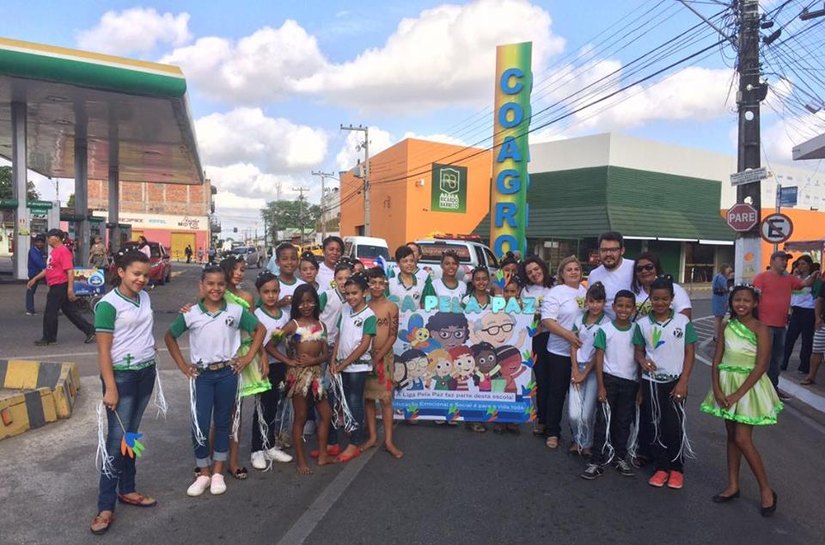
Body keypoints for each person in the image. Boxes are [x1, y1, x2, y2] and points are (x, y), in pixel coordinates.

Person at [164, 264, 265, 497]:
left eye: (220, 284)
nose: (216, 288)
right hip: (202, 376)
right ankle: (204, 471)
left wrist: (248, 357)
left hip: (227, 374)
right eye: (210, 284)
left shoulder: (235, 311)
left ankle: (218, 471)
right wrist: (183, 365)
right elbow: (170, 336)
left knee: (223, 422)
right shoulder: (191, 313)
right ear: (202, 285)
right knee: (199, 423)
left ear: (226, 284)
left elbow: (259, 330)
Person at [90, 250, 157, 535]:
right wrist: (111, 387)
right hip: (122, 379)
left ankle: (128, 489)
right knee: (115, 441)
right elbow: (103, 351)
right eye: (136, 274)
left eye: (145, 274)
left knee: (132, 435)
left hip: (146, 373)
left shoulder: (144, 297)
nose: (142, 279)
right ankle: (105, 505)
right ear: (120, 272)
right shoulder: (108, 305)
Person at [699, 285, 782, 516]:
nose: (741, 304)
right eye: (737, 300)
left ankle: (766, 489)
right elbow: (716, 358)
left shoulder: (760, 328)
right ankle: (733, 485)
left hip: (748, 388)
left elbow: (761, 365)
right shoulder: (727, 325)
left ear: (755, 303)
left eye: (746, 300)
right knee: (731, 437)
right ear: (731, 302)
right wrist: (716, 388)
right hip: (726, 385)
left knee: (743, 438)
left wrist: (738, 394)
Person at [632, 275, 697, 489]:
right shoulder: (642, 324)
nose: (660, 303)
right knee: (654, 424)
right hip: (651, 383)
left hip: (674, 382)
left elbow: (689, 353)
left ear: (671, 299)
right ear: (650, 298)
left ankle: (676, 468)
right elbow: (639, 352)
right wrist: (642, 361)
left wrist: (684, 382)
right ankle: (660, 467)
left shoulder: (682, 322)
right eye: (656, 299)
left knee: (674, 425)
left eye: (664, 299)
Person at [275, 284, 334, 474]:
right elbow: (270, 345)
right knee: (300, 417)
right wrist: (288, 361)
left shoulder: (321, 325)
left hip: (316, 375)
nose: (306, 306)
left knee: (326, 414)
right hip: (299, 376)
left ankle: (323, 454)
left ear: (316, 302)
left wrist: (314, 360)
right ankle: (301, 460)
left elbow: (326, 354)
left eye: (309, 301)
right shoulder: (293, 325)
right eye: (301, 303)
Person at [581, 289, 638, 480]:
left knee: (623, 422)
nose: (623, 309)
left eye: (628, 306)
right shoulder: (605, 330)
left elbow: (639, 357)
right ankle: (596, 460)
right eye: (620, 305)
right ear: (613, 307)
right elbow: (599, 358)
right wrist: (601, 386)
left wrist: (640, 388)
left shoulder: (636, 329)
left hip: (630, 382)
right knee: (602, 421)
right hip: (609, 380)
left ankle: (620, 457)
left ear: (633, 308)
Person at [752, 250, 819, 399]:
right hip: (764, 325)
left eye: (786, 260)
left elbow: (804, 283)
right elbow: (753, 298)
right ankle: (758, 388)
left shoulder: (789, 278)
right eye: (782, 259)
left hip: (781, 325)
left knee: (777, 359)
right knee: (764, 358)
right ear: (772, 261)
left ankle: (773, 387)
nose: (785, 262)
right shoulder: (761, 277)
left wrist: (814, 276)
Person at [541, 256, 586, 449]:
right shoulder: (556, 292)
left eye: (577, 269)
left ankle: (580, 436)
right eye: (569, 269)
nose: (574, 272)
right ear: (561, 274)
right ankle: (552, 432)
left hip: (582, 354)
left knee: (579, 397)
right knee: (557, 393)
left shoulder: (586, 291)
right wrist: (568, 336)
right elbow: (547, 320)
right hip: (559, 352)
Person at [330, 273, 377, 463]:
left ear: (364, 292)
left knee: (355, 401)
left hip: (357, 368)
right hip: (342, 365)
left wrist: (343, 364)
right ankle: (338, 440)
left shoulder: (369, 315)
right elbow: (339, 336)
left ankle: (355, 443)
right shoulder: (344, 310)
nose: (350, 297)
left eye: (354, 293)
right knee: (341, 402)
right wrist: (334, 360)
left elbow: (364, 345)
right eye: (347, 293)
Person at [250, 271, 294, 470]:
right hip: (262, 366)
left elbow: (286, 341)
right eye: (266, 291)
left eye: (275, 291)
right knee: (261, 407)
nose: (271, 295)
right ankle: (256, 449)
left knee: (273, 406)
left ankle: (270, 445)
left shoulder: (284, 315)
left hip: (280, 365)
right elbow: (253, 341)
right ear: (259, 292)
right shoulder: (256, 315)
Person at [27, 229, 95, 346]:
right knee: (69, 311)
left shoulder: (63, 251)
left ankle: (48, 338)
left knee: (50, 312)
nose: (47, 239)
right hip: (56, 284)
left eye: (50, 237)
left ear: (57, 238)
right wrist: (35, 279)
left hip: (60, 285)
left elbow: (70, 271)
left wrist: (70, 289)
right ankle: (89, 330)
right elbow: (48, 269)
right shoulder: (54, 252)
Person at [363, 267, 403, 458]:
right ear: (368, 284)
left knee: (386, 399)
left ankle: (388, 440)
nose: (377, 286)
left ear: (385, 284)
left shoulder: (391, 307)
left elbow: (392, 335)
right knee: (368, 398)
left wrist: (379, 355)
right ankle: (372, 437)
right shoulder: (363, 306)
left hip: (384, 357)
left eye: (381, 282)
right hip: (365, 357)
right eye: (373, 282)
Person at [568, 281, 607, 457]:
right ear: (587, 302)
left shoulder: (606, 323)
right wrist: (576, 370)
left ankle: (586, 443)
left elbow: (599, 353)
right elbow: (574, 345)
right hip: (578, 368)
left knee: (586, 414)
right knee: (574, 414)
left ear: (604, 303)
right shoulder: (579, 320)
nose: (595, 305)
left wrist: (584, 373)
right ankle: (577, 440)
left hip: (593, 371)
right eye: (592, 301)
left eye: (599, 302)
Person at [522, 256, 554, 437]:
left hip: (558, 338)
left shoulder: (557, 286)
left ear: (543, 267)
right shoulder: (525, 291)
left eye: (536, 269)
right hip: (538, 339)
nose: (534, 274)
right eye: (529, 272)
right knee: (542, 380)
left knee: (556, 383)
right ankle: (542, 420)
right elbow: (524, 316)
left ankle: (553, 423)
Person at [587, 232, 635, 319]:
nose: (608, 254)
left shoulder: (635, 269)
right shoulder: (594, 275)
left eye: (613, 250)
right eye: (604, 250)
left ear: (622, 250)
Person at [781, 255, 817, 375]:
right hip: (796, 311)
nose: (801, 266)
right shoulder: (794, 278)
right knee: (790, 339)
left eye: (803, 264)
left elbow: (811, 288)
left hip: (808, 311)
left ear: (809, 265)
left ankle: (804, 366)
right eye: (799, 264)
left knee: (807, 340)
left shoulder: (813, 278)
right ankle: (783, 362)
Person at [630, 252, 692, 320]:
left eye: (649, 267)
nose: (644, 271)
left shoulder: (675, 289)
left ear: (657, 268)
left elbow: (685, 319)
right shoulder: (633, 293)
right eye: (639, 269)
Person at [801, 280, 824, 386]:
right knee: (816, 350)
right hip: (823, 322)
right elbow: (819, 300)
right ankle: (811, 376)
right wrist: (817, 317)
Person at [274, 243, 305, 312]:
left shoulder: (303, 285)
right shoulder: (271, 284)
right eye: (284, 259)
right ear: (277, 262)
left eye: (293, 259)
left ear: (298, 261)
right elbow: (262, 309)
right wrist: (279, 304)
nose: (289, 262)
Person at [25, 234, 47, 315]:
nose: (40, 244)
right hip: (34, 273)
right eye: (38, 242)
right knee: (30, 291)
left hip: (41, 272)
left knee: (53, 288)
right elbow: (38, 262)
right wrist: (48, 266)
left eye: (42, 242)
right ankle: (29, 309)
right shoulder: (33, 251)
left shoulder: (42, 251)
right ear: (35, 242)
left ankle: (55, 308)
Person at [712, 264, 733, 342]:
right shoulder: (720, 277)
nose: (730, 271)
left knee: (719, 318)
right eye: (728, 269)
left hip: (720, 299)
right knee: (718, 318)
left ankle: (717, 335)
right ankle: (716, 335)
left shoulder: (719, 277)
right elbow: (727, 287)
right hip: (720, 299)